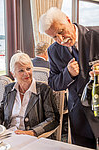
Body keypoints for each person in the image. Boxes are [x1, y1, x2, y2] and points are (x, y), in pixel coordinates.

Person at [39, 7, 99, 149]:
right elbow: (53, 83)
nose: (60, 39)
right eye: (54, 37)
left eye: (61, 32)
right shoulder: (53, 51)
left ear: (67, 20)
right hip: (79, 114)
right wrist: (68, 73)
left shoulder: (97, 35)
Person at [0, 52, 59, 137]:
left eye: (28, 69)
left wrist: (32, 132)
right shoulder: (9, 89)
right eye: (21, 70)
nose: (26, 73)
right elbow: (1, 111)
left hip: (31, 137)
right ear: (13, 73)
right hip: (8, 134)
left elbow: (53, 119)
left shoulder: (44, 89)